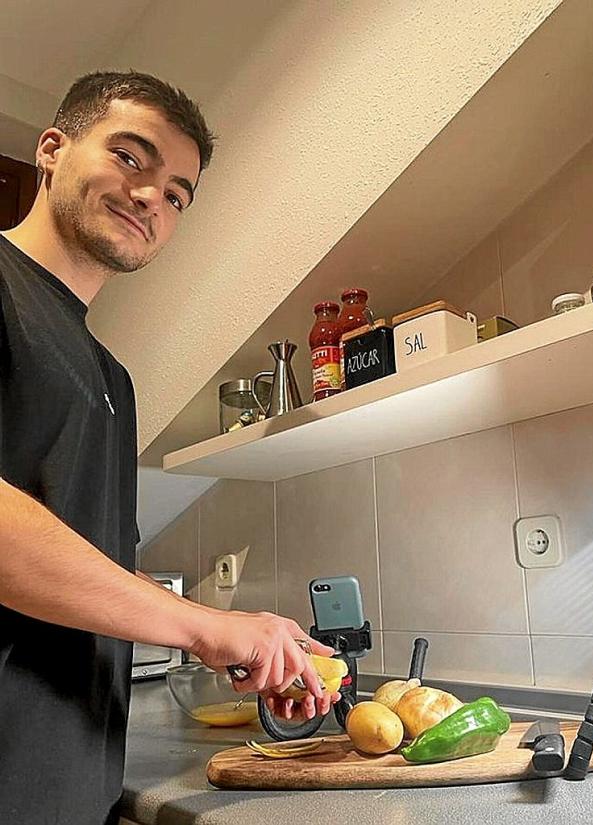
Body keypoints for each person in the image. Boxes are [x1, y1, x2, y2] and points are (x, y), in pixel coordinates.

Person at [0, 71, 338, 825]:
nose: (153, 197)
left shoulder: (110, 377)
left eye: (178, 193)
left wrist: (229, 639)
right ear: (51, 150)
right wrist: (203, 625)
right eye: (130, 157)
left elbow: (97, 574)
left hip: (71, 789)